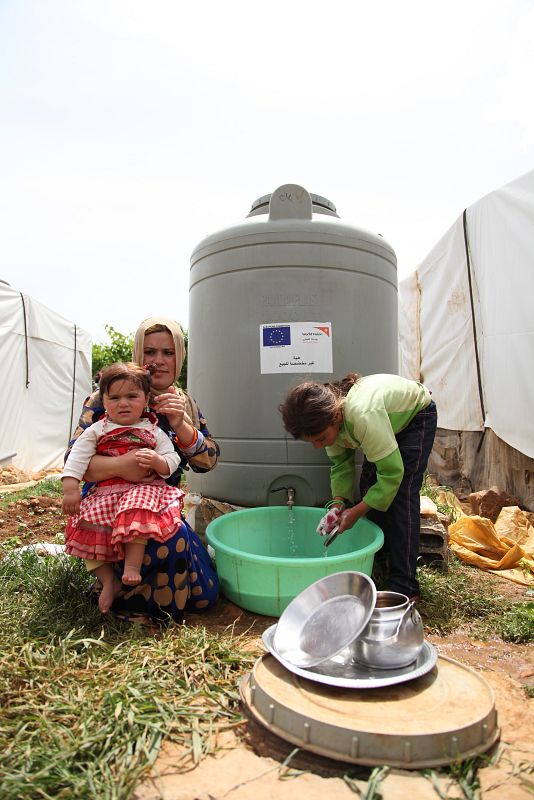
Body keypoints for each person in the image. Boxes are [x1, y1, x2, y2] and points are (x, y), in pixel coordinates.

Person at [66, 316, 220, 623]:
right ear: (138, 354)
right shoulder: (106, 395)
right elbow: (74, 458)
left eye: (168, 353)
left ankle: (138, 592)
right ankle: (133, 602)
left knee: (206, 596)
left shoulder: (183, 403)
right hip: (108, 506)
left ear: (179, 357)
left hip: (158, 504)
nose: (158, 361)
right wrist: (121, 466)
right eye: (149, 352)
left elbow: (208, 461)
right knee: (170, 539)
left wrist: (181, 425)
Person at [279, 373, 437, 600]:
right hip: (382, 422)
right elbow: (341, 465)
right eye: (312, 442)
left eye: (321, 439)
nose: (317, 447)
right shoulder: (331, 418)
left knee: (402, 495)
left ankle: (405, 585)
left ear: (335, 416)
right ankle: (382, 557)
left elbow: (392, 473)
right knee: (369, 486)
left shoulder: (362, 415)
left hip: (416, 416)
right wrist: (338, 505)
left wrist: (357, 511)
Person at [62, 362, 185, 613]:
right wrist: (70, 489)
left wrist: (158, 461)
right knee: (84, 526)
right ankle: (108, 580)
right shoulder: (97, 429)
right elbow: (76, 458)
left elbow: (172, 459)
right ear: (104, 402)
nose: (123, 404)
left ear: (146, 399)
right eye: (114, 398)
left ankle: (131, 566)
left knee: (136, 510)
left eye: (132, 396)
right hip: (105, 493)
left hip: (142, 490)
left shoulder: (152, 430)